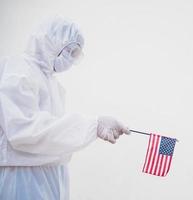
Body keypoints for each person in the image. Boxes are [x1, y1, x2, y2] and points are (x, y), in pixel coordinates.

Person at [0, 16, 130, 200]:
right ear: (49, 42)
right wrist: (94, 125)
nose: (71, 59)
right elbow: (23, 131)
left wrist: (94, 126)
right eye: (70, 51)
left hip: (51, 175)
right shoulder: (19, 70)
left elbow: (52, 137)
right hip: (22, 177)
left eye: (76, 54)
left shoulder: (52, 83)